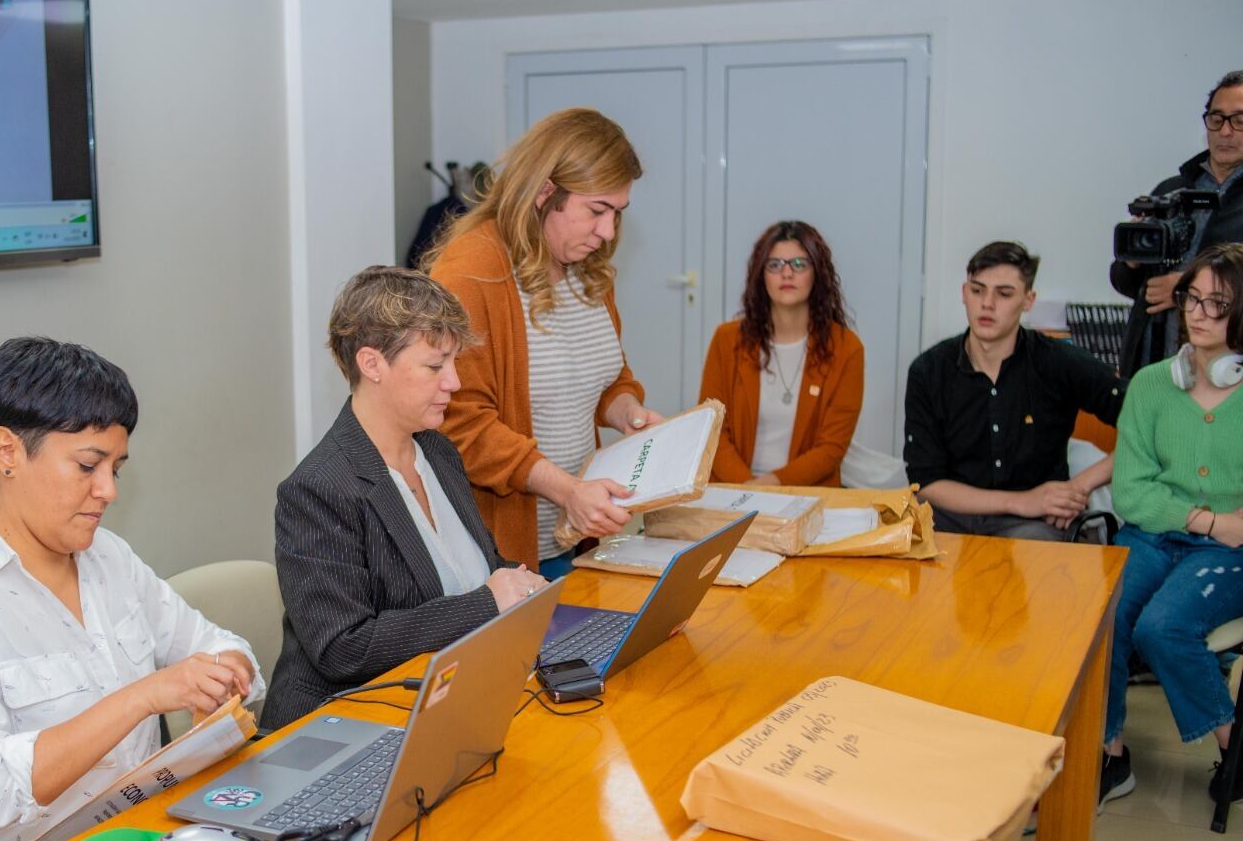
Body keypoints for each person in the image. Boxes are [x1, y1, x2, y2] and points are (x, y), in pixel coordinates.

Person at [0, 337, 262, 841]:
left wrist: (224, 675)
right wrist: (145, 695)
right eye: (88, 465)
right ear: (7, 452)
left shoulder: (107, 558)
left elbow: (221, 647)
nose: (108, 490)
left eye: (116, 467)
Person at [263, 267, 547, 728]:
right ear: (372, 365)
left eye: (453, 362)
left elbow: (482, 568)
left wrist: (524, 590)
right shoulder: (317, 490)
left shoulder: (436, 450)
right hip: (341, 725)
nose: (454, 382)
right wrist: (486, 603)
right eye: (435, 366)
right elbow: (342, 648)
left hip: (443, 701)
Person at [428, 107, 665, 575]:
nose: (608, 232)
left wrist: (628, 413)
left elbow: (607, 376)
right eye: (596, 210)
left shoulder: (589, 266)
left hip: (575, 534)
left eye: (617, 213)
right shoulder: (471, 272)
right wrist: (565, 490)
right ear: (544, 192)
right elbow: (461, 424)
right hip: (503, 550)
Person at [1101, 243, 1243, 806]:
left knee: (1162, 627)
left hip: (1231, 550)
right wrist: (1208, 519)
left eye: (1219, 303)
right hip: (1158, 535)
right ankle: (1109, 754)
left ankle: (1235, 752)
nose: (1198, 313)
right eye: (1192, 299)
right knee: (1102, 617)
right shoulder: (1151, 385)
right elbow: (1132, 491)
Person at [903, 241, 1124, 541]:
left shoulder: (1058, 362)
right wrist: (1021, 501)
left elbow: (1149, 427)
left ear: (1028, 300)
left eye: (1004, 293)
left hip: (1033, 526)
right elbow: (925, 481)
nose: (987, 304)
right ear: (964, 293)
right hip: (949, 516)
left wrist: (1079, 487)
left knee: (1035, 561)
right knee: (896, 554)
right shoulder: (928, 371)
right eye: (977, 290)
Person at [698, 220, 865, 486]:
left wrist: (772, 485)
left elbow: (831, 448)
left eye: (799, 264)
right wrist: (747, 488)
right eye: (774, 265)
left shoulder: (846, 348)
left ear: (817, 273)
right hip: (733, 489)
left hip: (809, 495)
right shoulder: (727, 340)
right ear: (761, 275)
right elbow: (712, 430)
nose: (786, 274)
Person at [1115, 70, 1243, 377]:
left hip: (1223, 371)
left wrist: (1187, 288)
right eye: (1217, 119)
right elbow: (1125, 282)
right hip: (1151, 360)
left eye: (1239, 120)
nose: (1226, 131)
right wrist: (1131, 263)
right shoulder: (1172, 189)